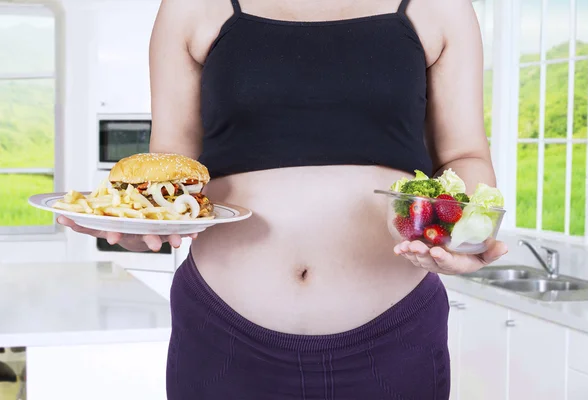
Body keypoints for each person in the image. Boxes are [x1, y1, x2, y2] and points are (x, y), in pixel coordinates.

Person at [59, 0, 508, 398]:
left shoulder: (440, 7)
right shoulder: (190, 6)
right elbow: (170, 170)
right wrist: (140, 228)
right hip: (223, 338)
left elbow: (465, 156)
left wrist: (461, 232)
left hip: (393, 338)